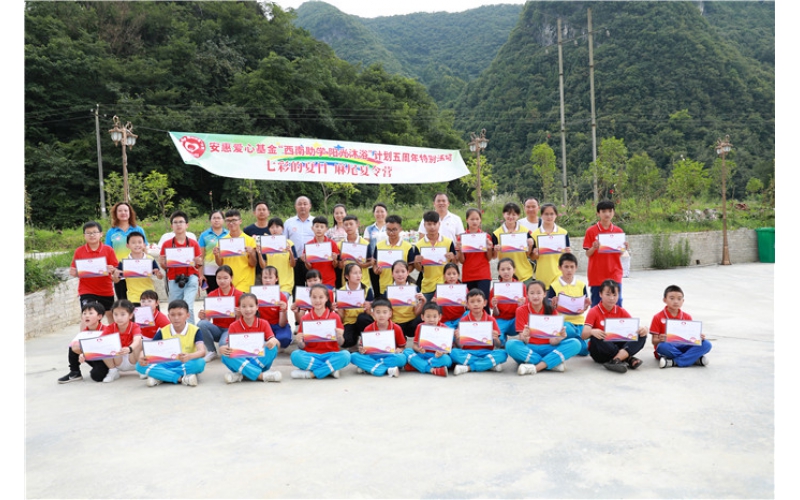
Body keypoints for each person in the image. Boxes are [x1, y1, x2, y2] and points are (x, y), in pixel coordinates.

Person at [508, 280, 581, 376]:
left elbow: (553, 341)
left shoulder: (551, 310)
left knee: (575, 343)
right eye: (532, 293)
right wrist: (525, 336)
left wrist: (560, 337)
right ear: (527, 295)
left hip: (549, 348)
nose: (535, 296)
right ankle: (551, 363)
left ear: (544, 294)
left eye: (539, 293)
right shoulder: (520, 310)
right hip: (530, 348)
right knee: (510, 345)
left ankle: (536, 367)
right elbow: (523, 340)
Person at [136, 299, 207, 387]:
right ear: (168, 316)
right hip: (166, 362)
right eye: (172, 315)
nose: (176, 318)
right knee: (139, 366)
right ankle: (181, 378)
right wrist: (142, 357)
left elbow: (202, 352)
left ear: (187, 315)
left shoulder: (195, 330)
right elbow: (148, 349)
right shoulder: (163, 331)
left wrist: (189, 356)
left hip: (185, 361)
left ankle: (161, 376)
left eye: (180, 314)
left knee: (200, 363)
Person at [582, 279, 648, 373]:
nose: (611, 298)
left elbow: (634, 328)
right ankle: (627, 358)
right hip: (601, 351)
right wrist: (592, 331)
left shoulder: (621, 311)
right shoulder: (594, 311)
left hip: (617, 344)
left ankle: (615, 360)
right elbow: (584, 335)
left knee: (641, 335)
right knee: (597, 337)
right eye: (608, 294)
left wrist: (644, 329)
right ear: (600, 294)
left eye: (614, 295)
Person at [290, 284, 351, 379]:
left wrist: (339, 337)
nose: (317, 301)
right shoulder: (305, 318)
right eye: (314, 297)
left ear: (326, 298)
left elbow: (341, 343)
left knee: (346, 356)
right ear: (310, 298)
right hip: (311, 355)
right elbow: (302, 346)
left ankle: (312, 374)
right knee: (295, 356)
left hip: (330, 354)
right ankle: (330, 369)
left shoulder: (335, 317)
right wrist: (300, 341)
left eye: (321, 297)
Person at [219, 293, 282, 383]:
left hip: (258, 361)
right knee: (225, 355)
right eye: (244, 306)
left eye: (251, 306)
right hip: (241, 359)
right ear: (239, 308)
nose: (248, 309)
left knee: (273, 349)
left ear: (257, 307)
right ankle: (260, 376)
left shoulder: (264, 323)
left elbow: (276, 343)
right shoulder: (233, 326)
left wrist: (273, 341)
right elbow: (229, 346)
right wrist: (223, 348)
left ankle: (242, 375)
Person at [650, 285, 712, 368]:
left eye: (679, 299)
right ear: (664, 300)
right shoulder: (657, 317)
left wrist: (698, 337)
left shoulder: (687, 317)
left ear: (683, 301)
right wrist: (661, 340)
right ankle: (693, 359)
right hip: (669, 347)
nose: (676, 301)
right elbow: (654, 341)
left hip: (684, 346)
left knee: (706, 344)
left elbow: (690, 338)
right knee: (662, 346)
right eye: (672, 298)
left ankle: (674, 362)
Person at [70, 221, 119, 323]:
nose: (92, 235)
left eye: (94, 232)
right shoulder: (79, 251)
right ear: (84, 235)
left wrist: (112, 270)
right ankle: (87, 334)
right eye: (88, 233)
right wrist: (78, 272)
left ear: (101, 234)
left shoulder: (108, 250)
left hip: (105, 289)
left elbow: (115, 269)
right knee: (87, 315)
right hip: (86, 290)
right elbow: (73, 271)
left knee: (110, 314)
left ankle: (113, 333)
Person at [158, 211, 202, 324]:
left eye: (181, 222)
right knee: (175, 308)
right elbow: (164, 266)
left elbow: (199, 264)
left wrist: (199, 265)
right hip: (174, 278)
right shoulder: (167, 244)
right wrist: (162, 263)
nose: (178, 225)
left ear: (187, 225)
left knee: (188, 306)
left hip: (191, 277)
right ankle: (177, 330)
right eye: (175, 222)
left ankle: (192, 331)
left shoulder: (193, 243)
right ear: (171, 226)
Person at [583, 200, 629, 307]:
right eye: (604, 211)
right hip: (597, 275)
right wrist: (594, 247)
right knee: (596, 304)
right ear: (598, 213)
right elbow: (588, 254)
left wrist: (624, 248)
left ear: (613, 212)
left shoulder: (618, 231)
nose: (607, 214)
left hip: (614, 273)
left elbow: (619, 254)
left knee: (617, 303)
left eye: (610, 211)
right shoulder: (591, 231)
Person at [451, 289, 507, 375]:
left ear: (485, 303)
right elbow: (460, 346)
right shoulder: (463, 320)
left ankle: (469, 368)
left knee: (503, 354)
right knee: (453, 353)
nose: (476, 304)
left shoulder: (491, 319)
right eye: (472, 302)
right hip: (468, 352)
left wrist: (496, 338)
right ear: (467, 305)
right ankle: (488, 365)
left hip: (486, 352)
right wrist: (458, 338)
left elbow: (498, 345)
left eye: (479, 301)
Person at [547, 253, 591, 356]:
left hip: (579, 323)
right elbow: (548, 309)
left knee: (585, 349)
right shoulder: (554, 286)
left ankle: (568, 343)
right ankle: (579, 340)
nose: (569, 270)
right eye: (566, 267)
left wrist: (585, 307)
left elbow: (583, 307)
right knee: (568, 329)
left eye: (572, 267)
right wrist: (553, 303)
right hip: (563, 323)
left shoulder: (581, 285)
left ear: (576, 268)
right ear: (560, 268)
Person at [196, 265, 242, 362]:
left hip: (231, 329)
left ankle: (231, 344)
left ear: (231, 278)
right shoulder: (212, 295)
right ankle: (211, 351)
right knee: (201, 324)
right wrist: (203, 317)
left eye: (225, 278)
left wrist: (239, 315)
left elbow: (243, 321)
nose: (222, 281)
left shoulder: (239, 295)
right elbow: (207, 319)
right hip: (217, 328)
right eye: (219, 278)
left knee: (223, 346)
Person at [350, 299, 406, 378]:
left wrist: (399, 350)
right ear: (373, 313)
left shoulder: (396, 328)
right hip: (372, 355)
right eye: (378, 312)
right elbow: (362, 347)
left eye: (385, 312)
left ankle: (370, 367)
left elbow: (402, 347)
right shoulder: (368, 328)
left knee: (402, 358)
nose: (381, 315)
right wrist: (361, 349)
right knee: (353, 356)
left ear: (390, 313)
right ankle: (387, 370)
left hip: (389, 356)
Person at [105, 202, 148, 301]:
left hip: (137, 270)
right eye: (120, 211)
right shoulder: (111, 232)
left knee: (140, 301)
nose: (123, 213)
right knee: (123, 302)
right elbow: (108, 252)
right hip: (119, 271)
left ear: (130, 213)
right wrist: (113, 270)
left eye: (125, 210)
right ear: (115, 214)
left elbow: (145, 249)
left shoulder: (138, 230)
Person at [58, 302, 109, 383]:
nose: (86, 316)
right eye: (84, 313)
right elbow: (76, 347)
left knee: (97, 376)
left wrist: (86, 353)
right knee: (73, 345)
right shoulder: (84, 333)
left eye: (90, 313)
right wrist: (82, 352)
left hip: (107, 360)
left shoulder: (106, 330)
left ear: (99, 316)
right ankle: (75, 372)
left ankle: (111, 371)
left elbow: (108, 349)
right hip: (94, 358)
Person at [456, 208, 496, 311]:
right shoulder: (462, 238)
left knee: (484, 304)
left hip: (483, 274)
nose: (474, 222)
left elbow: (489, 258)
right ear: (467, 220)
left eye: (477, 219)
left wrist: (489, 248)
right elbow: (462, 261)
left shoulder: (486, 236)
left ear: (480, 220)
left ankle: (486, 321)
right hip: (468, 275)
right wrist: (460, 250)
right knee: (470, 305)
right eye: (472, 219)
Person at [413, 211, 456, 303]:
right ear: (424, 225)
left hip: (445, 284)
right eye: (429, 224)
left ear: (439, 224)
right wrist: (416, 262)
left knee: (444, 311)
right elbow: (420, 269)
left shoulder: (448, 242)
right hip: (427, 286)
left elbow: (454, 265)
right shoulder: (418, 245)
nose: (432, 227)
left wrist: (453, 258)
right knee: (426, 310)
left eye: (434, 224)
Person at [372, 215, 419, 299]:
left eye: (394, 229)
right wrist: (376, 270)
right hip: (384, 286)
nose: (391, 232)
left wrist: (403, 273)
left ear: (400, 229)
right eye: (388, 229)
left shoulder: (407, 246)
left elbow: (411, 265)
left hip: (402, 286)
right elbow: (374, 263)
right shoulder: (379, 245)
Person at [403, 302, 452, 377]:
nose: (431, 319)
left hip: (436, 357)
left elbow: (447, 350)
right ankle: (431, 369)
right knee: (406, 351)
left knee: (447, 360)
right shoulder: (420, 327)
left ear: (439, 317)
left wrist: (442, 352)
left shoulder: (444, 329)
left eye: (435, 317)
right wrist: (418, 349)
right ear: (422, 317)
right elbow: (414, 346)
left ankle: (417, 366)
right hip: (422, 354)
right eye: (428, 316)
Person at [99, 299, 143, 382]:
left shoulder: (134, 326)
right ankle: (113, 371)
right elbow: (100, 341)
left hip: (132, 358)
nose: (119, 318)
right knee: (103, 342)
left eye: (123, 314)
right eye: (115, 314)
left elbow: (137, 340)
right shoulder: (110, 328)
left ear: (130, 315)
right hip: (118, 359)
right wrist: (84, 354)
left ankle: (141, 368)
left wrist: (130, 348)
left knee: (140, 341)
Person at [214, 209, 257, 293]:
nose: (231, 223)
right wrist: (216, 255)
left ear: (240, 221)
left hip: (245, 282)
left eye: (234, 220)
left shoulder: (250, 240)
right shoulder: (222, 241)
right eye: (228, 221)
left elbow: (253, 264)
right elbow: (220, 263)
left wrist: (251, 253)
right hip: (228, 283)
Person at [493, 202, 537, 284]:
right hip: (506, 276)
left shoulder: (525, 231)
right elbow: (494, 256)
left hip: (524, 274)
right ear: (503, 214)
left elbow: (527, 254)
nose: (510, 217)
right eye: (508, 214)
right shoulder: (496, 233)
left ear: (518, 215)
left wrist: (530, 245)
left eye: (514, 214)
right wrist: (496, 249)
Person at [113, 232, 162, 305]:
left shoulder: (150, 259)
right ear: (127, 245)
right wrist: (115, 275)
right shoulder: (124, 261)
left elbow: (160, 277)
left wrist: (159, 274)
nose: (137, 245)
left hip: (150, 296)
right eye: (133, 242)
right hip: (133, 297)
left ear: (144, 244)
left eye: (140, 242)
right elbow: (116, 280)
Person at [530, 203, 571, 290]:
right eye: (546, 214)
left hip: (560, 275)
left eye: (552, 214)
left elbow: (567, 257)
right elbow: (532, 257)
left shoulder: (563, 233)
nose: (549, 216)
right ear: (541, 215)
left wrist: (568, 253)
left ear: (556, 215)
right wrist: (535, 254)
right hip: (542, 275)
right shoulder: (535, 234)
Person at [337, 263, 374, 348]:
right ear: (347, 276)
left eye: (360, 273)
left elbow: (371, 315)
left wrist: (368, 308)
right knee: (346, 342)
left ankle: (365, 339)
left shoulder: (367, 290)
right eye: (355, 273)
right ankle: (355, 339)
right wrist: (339, 310)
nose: (358, 275)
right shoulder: (341, 292)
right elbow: (341, 318)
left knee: (362, 318)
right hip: (349, 322)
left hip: (362, 320)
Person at [257, 217, 296, 298]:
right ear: (269, 229)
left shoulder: (289, 243)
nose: (274, 229)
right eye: (272, 227)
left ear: (282, 228)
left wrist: (291, 253)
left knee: (282, 304)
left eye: (277, 227)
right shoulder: (266, 244)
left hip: (286, 284)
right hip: (270, 283)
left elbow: (293, 264)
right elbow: (263, 266)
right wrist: (259, 254)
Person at [386, 260, 426, 338]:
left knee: (425, 318)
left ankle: (420, 343)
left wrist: (423, 302)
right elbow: (387, 313)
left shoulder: (414, 288)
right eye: (397, 272)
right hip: (396, 322)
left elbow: (416, 312)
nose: (400, 274)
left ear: (407, 272)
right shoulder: (388, 290)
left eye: (403, 271)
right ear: (392, 274)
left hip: (411, 322)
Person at [490, 258, 525, 343]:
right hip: (501, 319)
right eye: (502, 269)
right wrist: (495, 307)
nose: (506, 272)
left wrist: (521, 306)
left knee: (528, 326)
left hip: (516, 320)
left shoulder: (521, 287)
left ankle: (523, 341)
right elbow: (496, 313)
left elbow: (525, 311)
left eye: (509, 269)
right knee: (497, 340)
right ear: (498, 271)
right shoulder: (495, 289)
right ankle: (503, 339)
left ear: (514, 270)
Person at [284, 196, 315, 295]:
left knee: (314, 289)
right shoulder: (288, 222)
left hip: (312, 261)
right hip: (295, 261)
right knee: (297, 290)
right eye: (300, 204)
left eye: (305, 204)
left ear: (310, 206)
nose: (302, 206)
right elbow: (284, 241)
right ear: (295, 206)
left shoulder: (315, 222)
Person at [299, 215, 339, 289]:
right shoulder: (309, 245)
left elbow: (335, 266)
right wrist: (305, 261)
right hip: (314, 280)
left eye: (322, 227)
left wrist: (335, 259)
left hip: (328, 280)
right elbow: (309, 267)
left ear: (326, 229)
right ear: (312, 228)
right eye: (316, 226)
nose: (319, 229)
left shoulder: (332, 243)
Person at [257, 266, 292, 349]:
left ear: (276, 279)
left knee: (285, 339)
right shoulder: (256, 295)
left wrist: (283, 310)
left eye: (270, 278)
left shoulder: (281, 296)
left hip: (277, 325)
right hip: (262, 325)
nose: (267, 280)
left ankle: (273, 343)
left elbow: (282, 324)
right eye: (265, 277)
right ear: (261, 278)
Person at [337, 214, 372, 291]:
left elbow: (370, 262)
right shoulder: (339, 245)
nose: (348, 227)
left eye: (351, 224)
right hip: (347, 283)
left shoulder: (365, 244)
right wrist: (341, 265)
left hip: (363, 281)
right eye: (346, 225)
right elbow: (339, 265)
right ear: (343, 226)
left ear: (357, 224)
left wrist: (363, 265)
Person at [198, 210, 228, 293]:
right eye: (214, 218)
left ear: (223, 220)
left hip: (226, 271)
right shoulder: (204, 235)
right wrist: (201, 274)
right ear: (210, 220)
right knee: (212, 296)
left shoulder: (229, 234)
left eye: (219, 218)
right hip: (209, 272)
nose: (216, 220)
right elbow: (201, 256)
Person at [243, 201, 271, 285]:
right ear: (254, 213)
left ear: (268, 212)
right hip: (254, 269)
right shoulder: (248, 230)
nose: (261, 212)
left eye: (264, 209)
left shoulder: (273, 229)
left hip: (271, 268)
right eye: (259, 209)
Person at [364, 202, 389, 294]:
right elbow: (366, 245)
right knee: (376, 290)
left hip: (388, 263)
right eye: (377, 211)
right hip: (373, 263)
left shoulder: (390, 228)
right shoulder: (369, 229)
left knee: (388, 290)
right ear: (374, 213)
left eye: (382, 211)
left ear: (386, 213)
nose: (379, 214)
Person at [433, 263, 466, 329]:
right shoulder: (441, 289)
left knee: (468, 313)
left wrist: (468, 303)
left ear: (458, 275)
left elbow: (470, 303)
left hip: (460, 318)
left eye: (454, 274)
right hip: (446, 320)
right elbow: (433, 304)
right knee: (449, 333)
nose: (451, 276)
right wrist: (434, 301)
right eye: (448, 274)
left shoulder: (463, 288)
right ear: (444, 276)